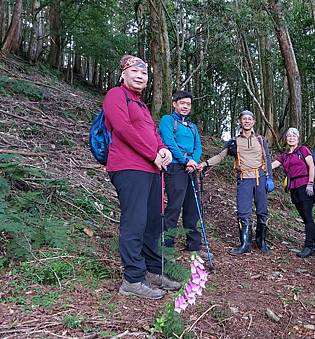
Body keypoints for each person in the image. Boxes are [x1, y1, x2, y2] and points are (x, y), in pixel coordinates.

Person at [103, 55, 181, 299]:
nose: (140, 76)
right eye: (135, 71)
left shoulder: (142, 105)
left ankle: (152, 271)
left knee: (152, 223)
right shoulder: (116, 95)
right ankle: (132, 279)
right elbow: (123, 128)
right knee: (135, 221)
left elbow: (153, 133)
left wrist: (163, 148)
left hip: (152, 168)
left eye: (144, 73)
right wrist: (152, 153)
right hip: (128, 167)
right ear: (123, 74)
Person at [198, 110, 274, 256]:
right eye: (244, 119)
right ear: (240, 121)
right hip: (244, 178)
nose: (247, 121)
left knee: (262, 210)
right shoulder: (234, 142)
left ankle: (261, 241)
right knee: (243, 211)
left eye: (249, 119)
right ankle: (245, 243)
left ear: (253, 122)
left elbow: (267, 158)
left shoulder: (260, 139)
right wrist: (205, 163)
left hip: (260, 177)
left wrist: (269, 177)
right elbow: (221, 156)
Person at [158, 91, 203, 252]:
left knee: (193, 206)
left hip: (190, 169)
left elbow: (198, 147)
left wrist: (193, 161)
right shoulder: (167, 120)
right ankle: (166, 244)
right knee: (174, 206)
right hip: (175, 167)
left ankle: (194, 245)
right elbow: (169, 142)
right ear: (174, 104)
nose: (185, 106)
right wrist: (185, 160)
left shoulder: (192, 127)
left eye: (188, 104)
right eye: (182, 103)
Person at [271, 127, 315, 258]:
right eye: (289, 135)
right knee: (305, 216)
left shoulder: (303, 150)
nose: (291, 137)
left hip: (305, 186)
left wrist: (311, 184)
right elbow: (272, 165)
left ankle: (309, 245)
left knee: (307, 217)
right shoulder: (284, 156)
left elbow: (311, 166)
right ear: (286, 138)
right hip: (293, 188)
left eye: (294, 135)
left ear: (298, 138)